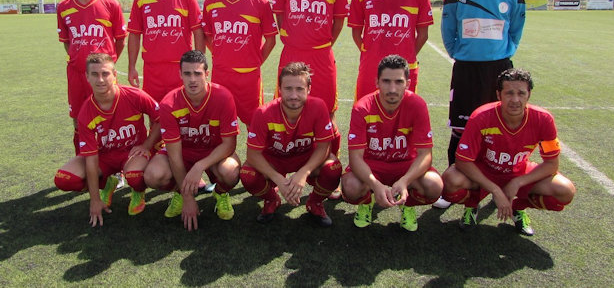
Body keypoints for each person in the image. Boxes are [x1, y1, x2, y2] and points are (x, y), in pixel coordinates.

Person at [436, 0, 526, 209]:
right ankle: (451, 188)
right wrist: (463, 56)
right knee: (461, 129)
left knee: (500, 127)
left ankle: (498, 184)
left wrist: (499, 53)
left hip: (499, 69)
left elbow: (515, 33)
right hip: (466, 70)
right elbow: (448, 34)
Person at [441, 68, 576, 235]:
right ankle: (472, 206)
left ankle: (517, 208)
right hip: (484, 171)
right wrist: (495, 190)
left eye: (521, 93)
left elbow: (551, 164)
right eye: (509, 93)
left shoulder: (543, 119)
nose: (515, 100)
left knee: (565, 191)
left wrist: (517, 182)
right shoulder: (481, 117)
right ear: (499, 95)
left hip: (518, 172)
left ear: (529, 95)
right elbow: (462, 161)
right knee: (450, 180)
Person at [54, 53, 161, 227]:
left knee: (135, 177)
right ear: (87, 77)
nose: (101, 80)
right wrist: (94, 199)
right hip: (105, 156)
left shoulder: (134, 95)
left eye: (105, 74)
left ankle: (138, 191)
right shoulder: (86, 112)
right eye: (95, 74)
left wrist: (147, 144)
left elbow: (160, 118)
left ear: (115, 76)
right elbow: (90, 157)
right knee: (64, 179)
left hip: (132, 154)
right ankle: (108, 183)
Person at [341, 55, 442, 232]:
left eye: (398, 82)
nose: (392, 88)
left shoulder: (417, 105)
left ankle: (407, 204)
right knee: (350, 187)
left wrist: (405, 181)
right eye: (386, 81)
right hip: (372, 166)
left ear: (408, 84)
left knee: (434, 186)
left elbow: (425, 154)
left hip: (405, 166)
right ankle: (367, 202)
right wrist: (375, 185)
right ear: (377, 82)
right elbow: (355, 158)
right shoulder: (363, 107)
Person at [143, 50, 240, 231]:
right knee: (152, 175)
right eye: (187, 74)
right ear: (180, 74)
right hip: (183, 153)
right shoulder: (169, 104)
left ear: (207, 74)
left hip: (213, 152)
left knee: (230, 172)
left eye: (197, 73)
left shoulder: (223, 97)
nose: (192, 79)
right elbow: (174, 155)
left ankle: (220, 194)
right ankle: (180, 192)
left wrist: (199, 166)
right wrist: (188, 198)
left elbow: (229, 144)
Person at [272, 0, 348, 155]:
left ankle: (330, 167)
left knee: (327, 112)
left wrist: (321, 43)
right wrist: (295, 39)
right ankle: (285, 162)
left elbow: (338, 22)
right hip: (292, 53)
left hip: (322, 55)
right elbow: (280, 16)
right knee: (286, 108)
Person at [240, 62, 342, 227]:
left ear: (309, 89)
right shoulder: (263, 113)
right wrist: (278, 180)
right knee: (247, 174)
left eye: (300, 89)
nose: (294, 95)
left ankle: (314, 203)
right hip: (274, 160)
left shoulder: (318, 107)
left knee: (333, 168)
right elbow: (252, 154)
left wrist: (304, 172)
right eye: (288, 89)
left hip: (305, 158)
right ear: (279, 89)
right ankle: (271, 200)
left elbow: (324, 146)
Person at [57, 0, 127, 154]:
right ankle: (83, 159)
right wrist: (79, 60)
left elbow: (120, 40)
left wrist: (107, 65)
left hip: (104, 74)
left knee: (111, 118)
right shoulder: (63, 7)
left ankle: (115, 166)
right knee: (78, 119)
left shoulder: (110, 4)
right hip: (77, 74)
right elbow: (67, 42)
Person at [201, 0, 277, 127]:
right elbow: (207, 36)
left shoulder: (260, 2)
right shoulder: (211, 2)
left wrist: (255, 60)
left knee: (255, 124)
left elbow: (271, 40)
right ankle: (226, 156)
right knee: (220, 125)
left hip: (249, 78)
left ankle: (253, 156)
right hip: (221, 75)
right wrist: (221, 55)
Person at [127, 0, 205, 103]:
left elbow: (198, 32)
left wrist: (198, 65)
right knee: (155, 117)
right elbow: (135, 34)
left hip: (181, 69)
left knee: (183, 116)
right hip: (152, 70)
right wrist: (132, 67)